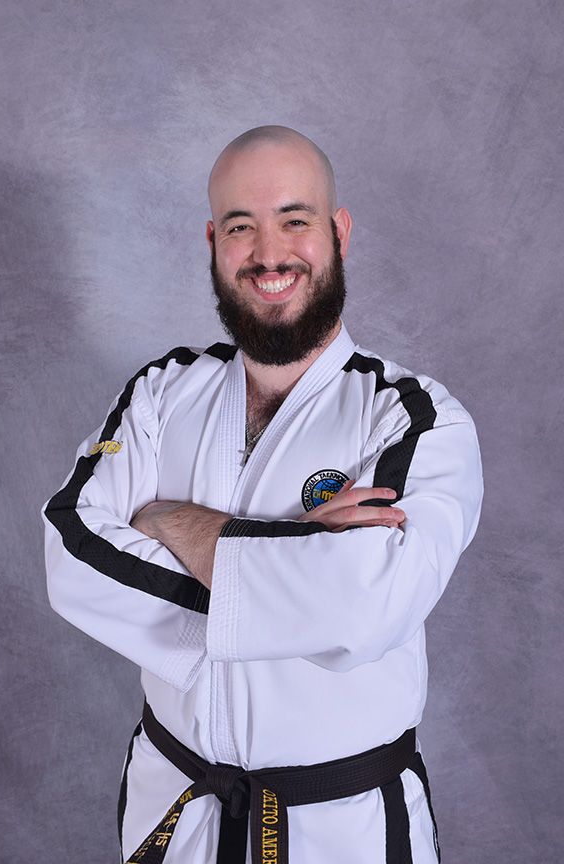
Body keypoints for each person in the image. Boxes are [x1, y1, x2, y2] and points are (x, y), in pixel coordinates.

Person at [42, 125, 483, 864]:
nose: (269, 253)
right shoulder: (161, 392)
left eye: (295, 219)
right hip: (176, 804)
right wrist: (299, 566)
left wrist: (166, 518)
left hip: (343, 828)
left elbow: (366, 602)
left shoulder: (413, 417)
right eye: (241, 226)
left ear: (339, 233)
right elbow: (70, 550)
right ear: (213, 241)